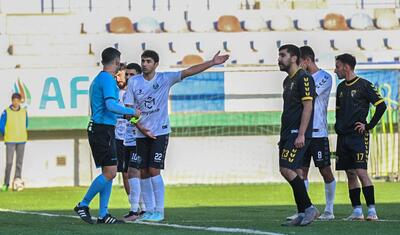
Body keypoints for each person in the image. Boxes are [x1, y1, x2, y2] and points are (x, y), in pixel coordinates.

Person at [124, 50, 229, 222]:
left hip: (160, 131)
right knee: (142, 171)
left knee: (153, 170)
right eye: (143, 60)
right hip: (140, 133)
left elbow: (188, 71)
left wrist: (212, 62)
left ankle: (159, 211)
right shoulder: (134, 82)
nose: (144, 64)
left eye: (148, 61)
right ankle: (148, 210)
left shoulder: (164, 79)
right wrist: (141, 128)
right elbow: (128, 110)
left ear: (156, 64)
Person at [74, 47, 140, 224]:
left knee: (108, 172)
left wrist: (126, 115)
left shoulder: (100, 79)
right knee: (110, 172)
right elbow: (111, 106)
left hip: (102, 129)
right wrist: (132, 111)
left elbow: (108, 109)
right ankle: (83, 204)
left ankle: (103, 214)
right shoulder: (108, 79)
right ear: (117, 62)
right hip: (102, 130)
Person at [334, 53, 386, 221]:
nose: (335, 70)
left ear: (346, 67)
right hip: (343, 137)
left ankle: (372, 210)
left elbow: (381, 106)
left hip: (358, 137)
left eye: (337, 66)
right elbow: (339, 110)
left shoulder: (365, 85)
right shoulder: (341, 88)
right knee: (350, 173)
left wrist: (368, 126)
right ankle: (357, 211)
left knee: (361, 172)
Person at [288, 46, 336, 220]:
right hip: (303, 132)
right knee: (300, 172)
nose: (298, 66)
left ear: (307, 60)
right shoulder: (300, 78)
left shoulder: (325, 77)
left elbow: (309, 95)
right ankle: (304, 209)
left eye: (300, 62)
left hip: (318, 132)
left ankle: (329, 210)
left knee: (325, 170)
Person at [277, 44, 319, 226]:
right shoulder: (287, 81)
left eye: (282, 55)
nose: (279, 59)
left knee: (287, 169)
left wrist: (301, 134)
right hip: (287, 133)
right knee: (292, 171)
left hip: (297, 133)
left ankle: (310, 208)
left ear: (294, 58)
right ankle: (302, 212)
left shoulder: (305, 78)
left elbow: (308, 106)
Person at [0, 93, 28, 192]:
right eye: (14, 100)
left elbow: (26, 124)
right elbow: (1, 125)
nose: (16, 102)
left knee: (19, 163)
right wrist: (5, 133)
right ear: (12, 101)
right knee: (9, 162)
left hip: (21, 140)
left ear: (20, 101)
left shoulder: (24, 112)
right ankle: (6, 184)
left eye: (17, 100)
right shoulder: (6, 112)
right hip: (10, 140)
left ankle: (17, 182)